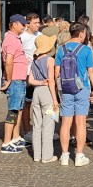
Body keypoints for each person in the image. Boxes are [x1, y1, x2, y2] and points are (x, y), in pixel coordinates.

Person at [49, 22, 93, 166]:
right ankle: (79, 156)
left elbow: (57, 71)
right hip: (82, 88)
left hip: (66, 89)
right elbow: (91, 71)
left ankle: (64, 156)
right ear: (81, 33)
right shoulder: (86, 50)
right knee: (81, 122)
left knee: (65, 123)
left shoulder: (61, 49)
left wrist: (59, 89)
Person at [28, 33, 59, 164]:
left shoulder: (34, 61)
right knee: (48, 125)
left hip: (36, 92)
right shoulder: (50, 60)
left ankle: (37, 155)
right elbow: (51, 81)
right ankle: (46, 156)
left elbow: (30, 80)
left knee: (36, 125)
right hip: (47, 94)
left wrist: (40, 83)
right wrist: (55, 100)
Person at [0, 14, 29, 155]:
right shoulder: (11, 40)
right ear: (14, 24)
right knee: (13, 110)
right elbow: (9, 61)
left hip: (19, 80)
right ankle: (6, 143)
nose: (24, 27)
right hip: (15, 81)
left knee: (19, 109)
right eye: (22, 24)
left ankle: (15, 137)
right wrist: (9, 80)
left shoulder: (15, 38)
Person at [20, 12, 42, 138]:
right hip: (27, 74)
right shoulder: (22, 37)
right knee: (27, 103)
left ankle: (46, 129)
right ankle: (27, 131)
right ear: (28, 24)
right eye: (35, 23)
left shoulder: (41, 36)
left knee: (45, 103)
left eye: (39, 22)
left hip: (41, 74)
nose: (38, 25)